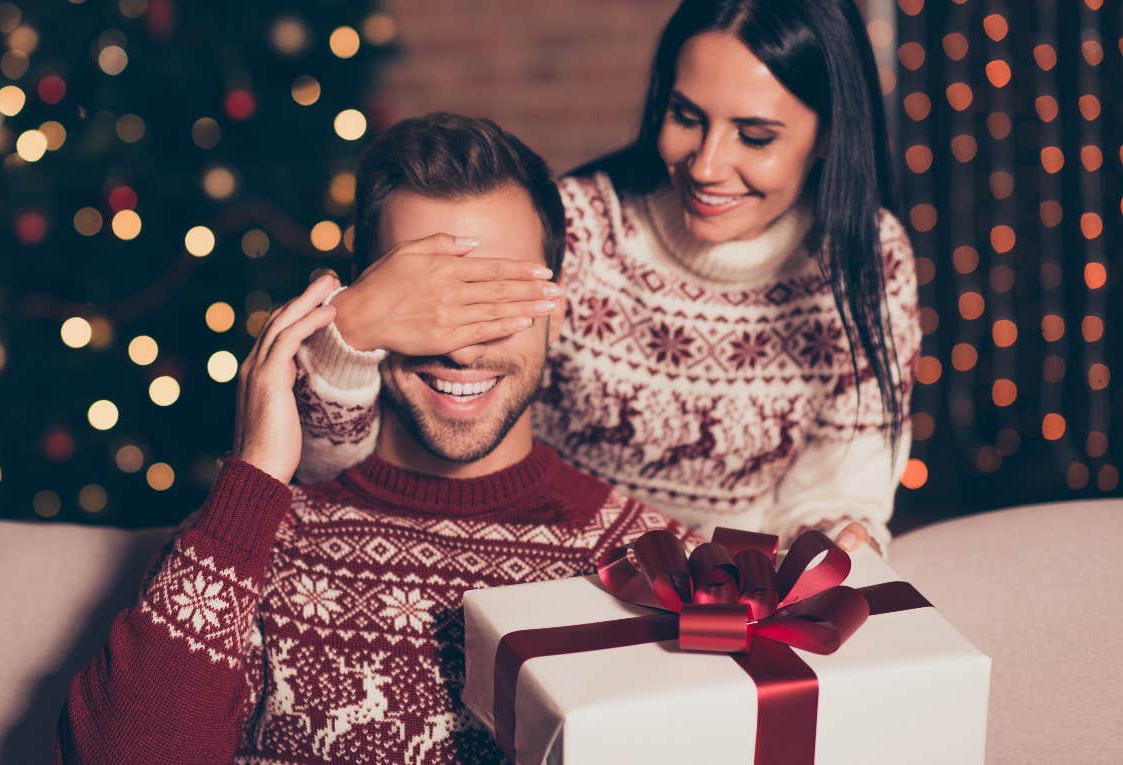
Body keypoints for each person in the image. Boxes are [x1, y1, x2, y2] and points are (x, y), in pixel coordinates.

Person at [55, 114, 697, 764]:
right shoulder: (250, 537)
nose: (459, 344)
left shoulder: (650, 565)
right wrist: (254, 475)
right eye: (425, 301)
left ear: (557, 311)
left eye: (494, 299)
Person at [292, 0, 920, 555]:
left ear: (832, 135)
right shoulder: (582, 229)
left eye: (754, 137)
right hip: (563, 572)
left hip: (741, 595)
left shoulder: (870, 261)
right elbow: (349, 460)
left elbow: (838, 489)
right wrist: (349, 337)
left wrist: (828, 548)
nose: (707, 164)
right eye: (687, 117)